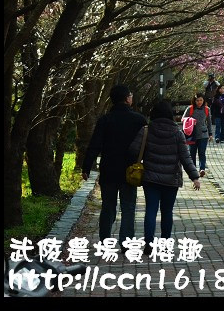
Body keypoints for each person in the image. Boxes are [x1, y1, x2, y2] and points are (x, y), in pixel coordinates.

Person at [128, 100, 201, 256]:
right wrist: (194, 177)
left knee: (151, 210)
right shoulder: (177, 133)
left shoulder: (146, 130)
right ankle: (166, 244)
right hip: (171, 180)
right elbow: (185, 157)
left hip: (150, 178)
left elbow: (133, 150)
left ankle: (148, 243)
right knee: (167, 212)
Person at [81, 84, 147, 242]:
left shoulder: (105, 120)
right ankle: (126, 242)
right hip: (130, 171)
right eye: (130, 95)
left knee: (108, 206)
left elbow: (94, 145)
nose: (132, 98)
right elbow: (146, 146)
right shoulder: (139, 120)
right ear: (126, 99)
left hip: (108, 169)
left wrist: (86, 167)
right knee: (128, 208)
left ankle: (104, 240)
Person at [181, 93, 211, 176]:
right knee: (192, 153)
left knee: (202, 152)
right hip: (191, 134)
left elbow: (209, 122)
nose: (199, 102)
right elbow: (182, 119)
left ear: (203, 100)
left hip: (203, 134)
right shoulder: (190, 109)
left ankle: (202, 169)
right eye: (197, 100)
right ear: (194, 101)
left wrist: (210, 134)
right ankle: (193, 169)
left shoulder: (207, 109)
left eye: (201, 100)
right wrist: (190, 121)